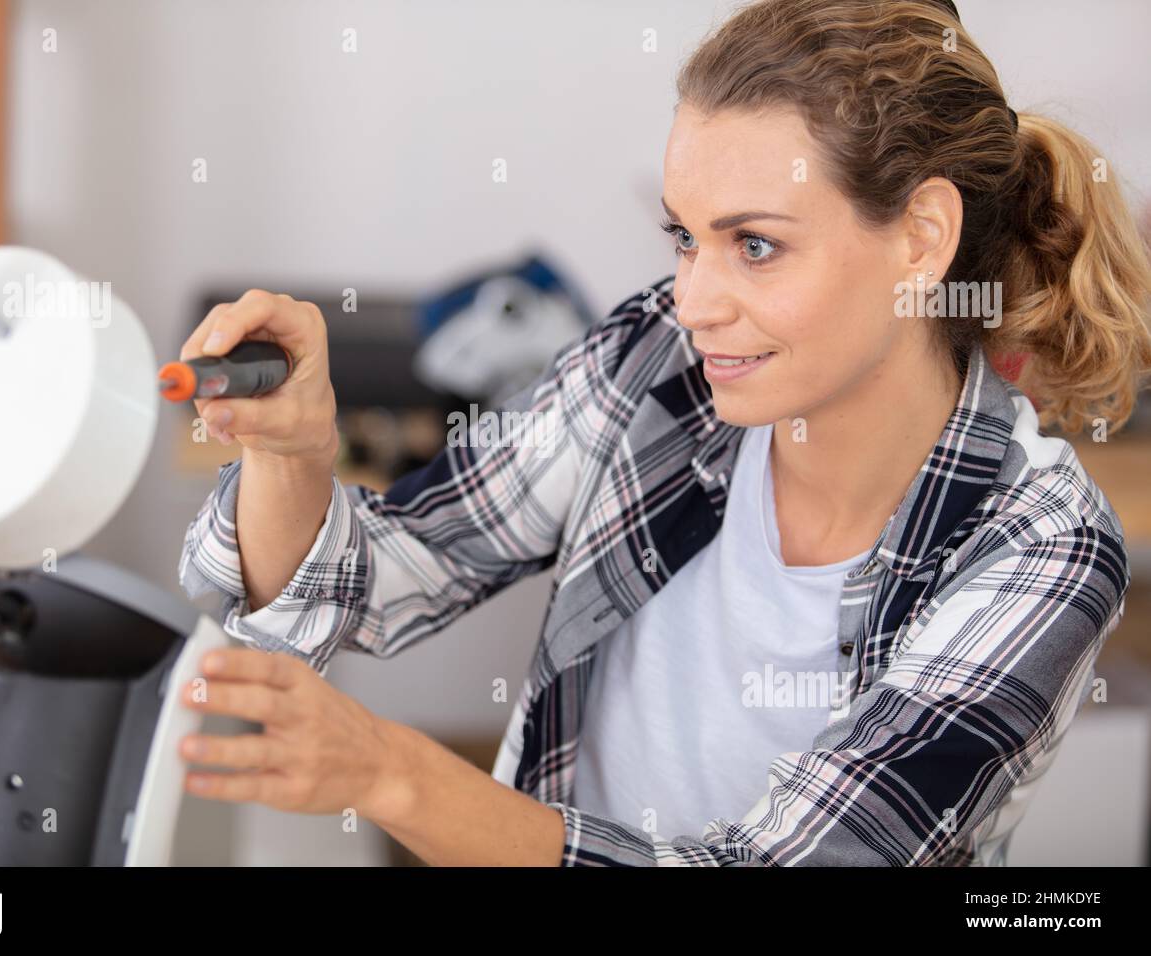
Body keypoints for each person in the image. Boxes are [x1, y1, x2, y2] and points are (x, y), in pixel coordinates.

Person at [173, 0, 1151, 866]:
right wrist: (292, 450)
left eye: (755, 244)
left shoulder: (1039, 550)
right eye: (684, 236)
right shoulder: (660, 360)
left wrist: (393, 774)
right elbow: (378, 576)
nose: (691, 299)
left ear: (921, 238)